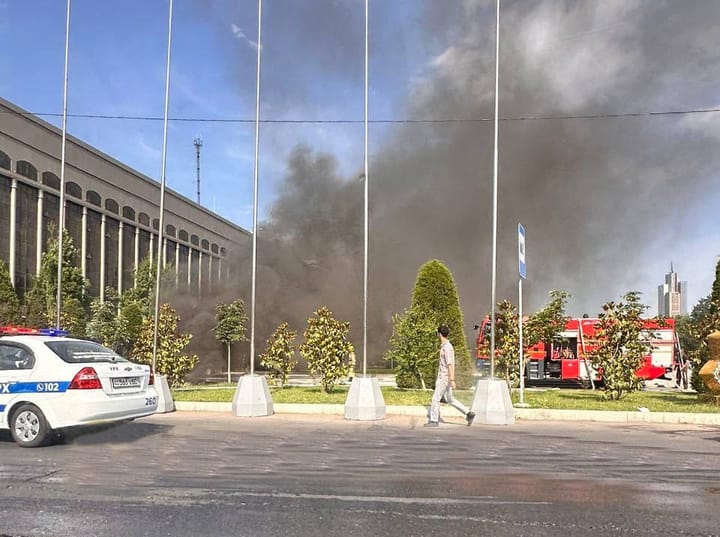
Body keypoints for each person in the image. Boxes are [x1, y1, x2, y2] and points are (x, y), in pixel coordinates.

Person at [424, 324, 476, 427]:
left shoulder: (447, 347)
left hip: (444, 377)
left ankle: (434, 420)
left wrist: (452, 379)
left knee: (436, 398)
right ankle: (468, 413)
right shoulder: (446, 346)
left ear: (439, 334)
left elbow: (450, 364)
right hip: (445, 377)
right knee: (449, 399)